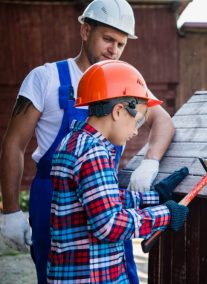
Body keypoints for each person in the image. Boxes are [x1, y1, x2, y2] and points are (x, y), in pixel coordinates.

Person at [0, 0, 175, 283]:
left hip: (103, 189)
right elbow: (13, 144)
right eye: (107, 39)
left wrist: (150, 164)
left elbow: (164, 121)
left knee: (117, 269)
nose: (114, 50)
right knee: (58, 271)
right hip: (54, 195)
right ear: (85, 30)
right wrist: (10, 211)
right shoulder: (45, 78)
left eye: (120, 44)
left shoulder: (123, 81)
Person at [47, 59, 188, 283]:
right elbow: (109, 225)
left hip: (71, 272)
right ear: (118, 111)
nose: (135, 131)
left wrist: (154, 197)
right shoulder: (94, 153)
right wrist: (166, 215)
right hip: (93, 277)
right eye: (137, 121)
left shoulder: (72, 142)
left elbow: (100, 199)